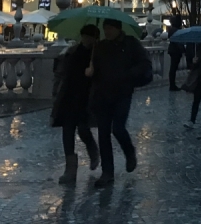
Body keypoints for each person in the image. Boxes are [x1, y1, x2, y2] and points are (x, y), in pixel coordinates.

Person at [88, 18, 151, 188]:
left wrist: (128, 74)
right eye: (105, 28)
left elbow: (144, 64)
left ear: (117, 29)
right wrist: (91, 70)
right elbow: (95, 71)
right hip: (102, 94)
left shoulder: (131, 44)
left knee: (118, 128)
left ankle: (129, 152)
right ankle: (107, 172)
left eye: (109, 28)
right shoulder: (100, 46)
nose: (107, 31)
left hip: (122, 93)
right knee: (103, 134)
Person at [51, 24, 100, 184]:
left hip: (87, 98)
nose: (87, 39)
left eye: (90, 37)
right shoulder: (72, 52)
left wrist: (94, 71)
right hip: (69, 96)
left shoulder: (98, 54)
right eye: (85, 36)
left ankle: (92, 149)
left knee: (83, 129)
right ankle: (70, 169)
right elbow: (61, 72)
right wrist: (56, 90)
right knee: (68, 130)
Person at [167, 11, 185, 91]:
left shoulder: (172, 29)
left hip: (173, 51)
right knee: (173, 68)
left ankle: (172, 84)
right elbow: (178, 42)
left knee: (173, 68)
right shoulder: (175, 30)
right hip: (175, 51)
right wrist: (183, 50)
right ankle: (172, 85)